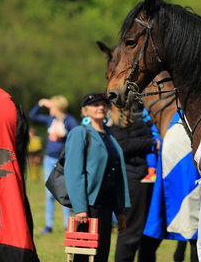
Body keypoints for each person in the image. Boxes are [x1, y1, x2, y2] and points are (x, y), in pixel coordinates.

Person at [64, 93, 130, 262]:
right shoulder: (80, 133)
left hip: (107, 206)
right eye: (95, 104)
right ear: (84, 111)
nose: (100, 107)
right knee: (84, 255)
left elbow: (116, 173)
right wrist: (80, 207)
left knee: (101, 255)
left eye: (103, 104)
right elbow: (74, 172)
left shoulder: (109, 135)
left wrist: (120, 210)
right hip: (89, 207)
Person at [110, 107, 159, 262]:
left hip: (148, 179)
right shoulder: (116, 124)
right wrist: (152, 143)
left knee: (149, 235)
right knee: (131, 232)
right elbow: (122, 145)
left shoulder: (141, 117)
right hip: (133, 180)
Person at [28, 95, 78, 234]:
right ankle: (48, 225)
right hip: (49, 160)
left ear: (59, 108)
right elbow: (32, 116)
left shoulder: (70, 120)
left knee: (63, 193)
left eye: (52, 107)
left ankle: (67, 224)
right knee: (49, 194)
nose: (50, 109)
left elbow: (76, 136)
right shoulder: (51, 119)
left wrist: (65, 134)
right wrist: (40, 103)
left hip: (63, 161)